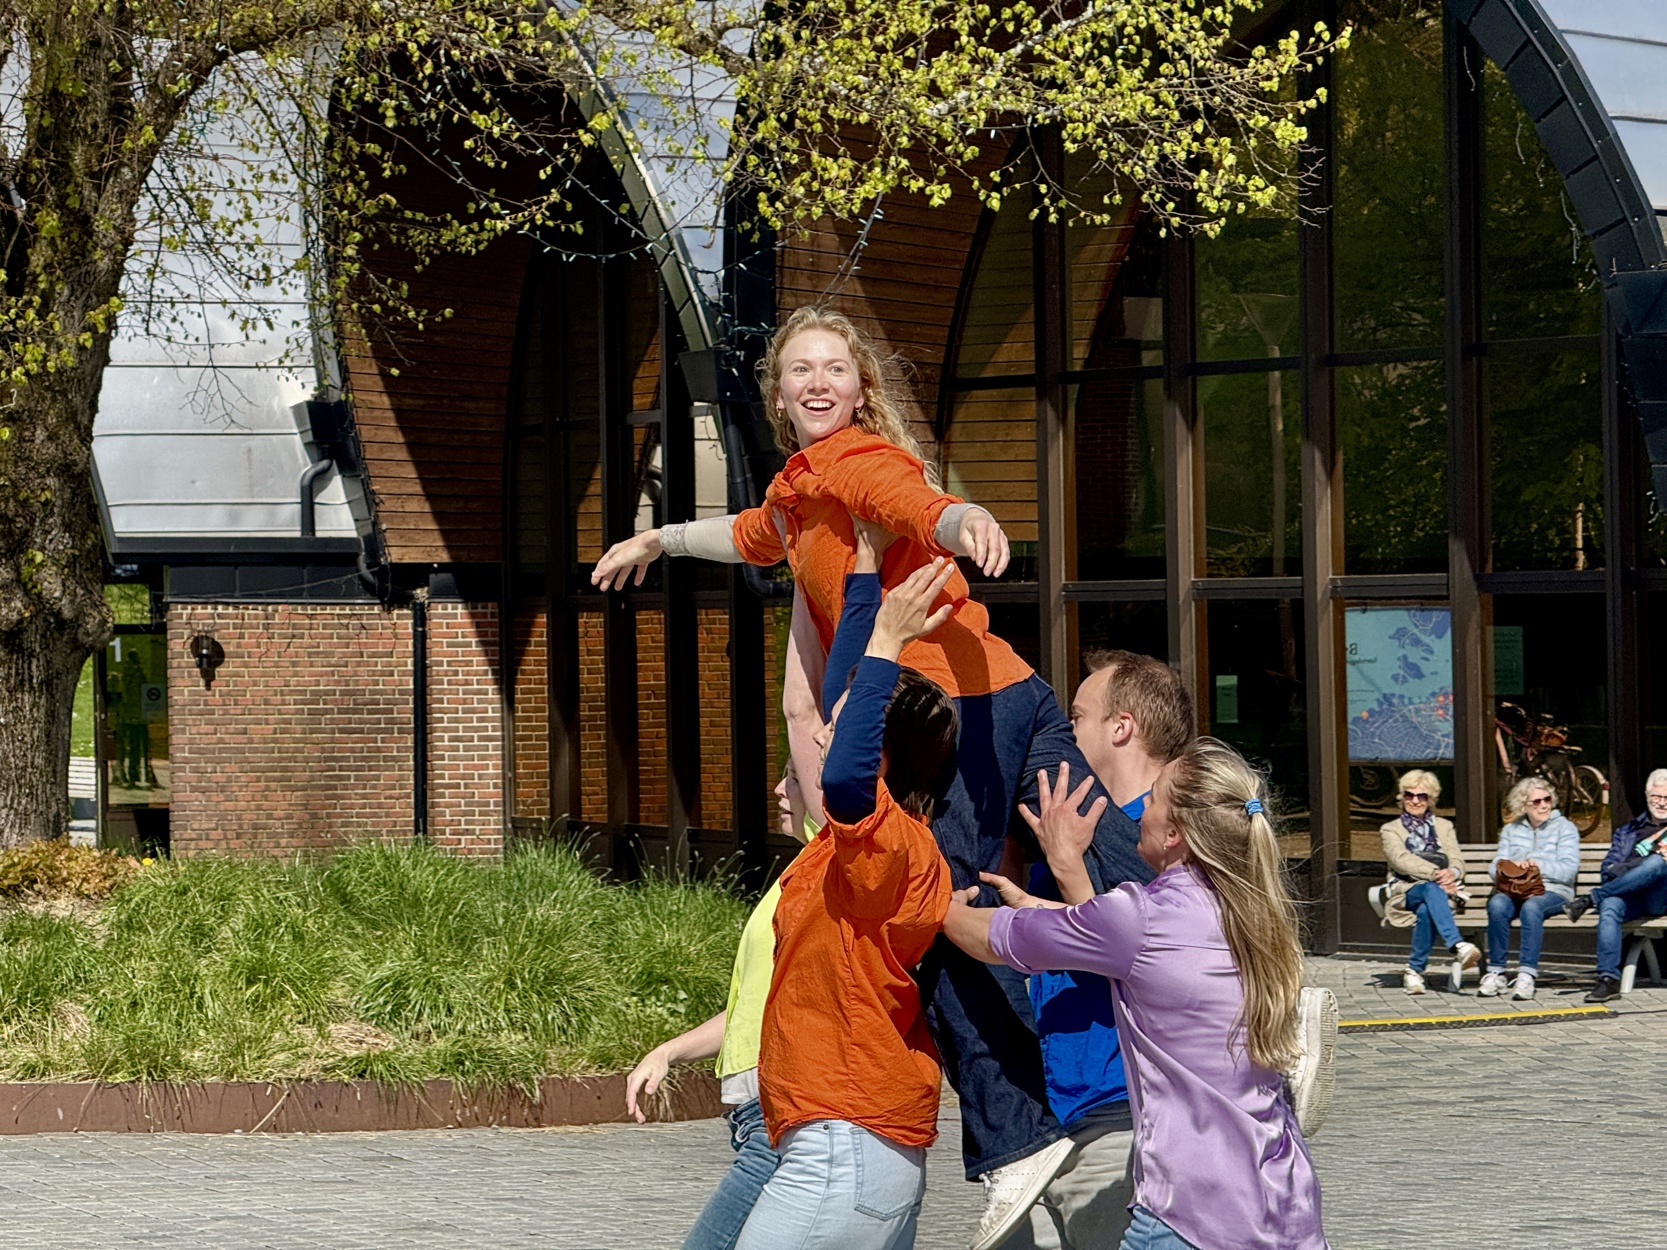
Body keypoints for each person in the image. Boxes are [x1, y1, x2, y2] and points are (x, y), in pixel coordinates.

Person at [593, 306, 1150, 1246]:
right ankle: (1248, 1010)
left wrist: (961, 517)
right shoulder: (793, 495)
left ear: (861, 392)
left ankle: (1019, 1143)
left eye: (835, 371)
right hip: (1012, 690)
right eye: (800, 370)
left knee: (934, 919)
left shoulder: (854, 463)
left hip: (948, 720)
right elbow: (743, 534)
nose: (817, 384)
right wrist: (657, 542)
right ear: (777, 394)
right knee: (1112, 857)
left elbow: (910, 502)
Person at [944, 737, 1328, 1250]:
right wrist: (1051, 891)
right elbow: (1129, 952)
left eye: (1151, 800)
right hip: (1287, 1207)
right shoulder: (1250, 910)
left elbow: (989, 939)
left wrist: (938, 904)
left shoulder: (1140, 917)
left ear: (1174, 833)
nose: (1139, 811)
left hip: (1189, 1218)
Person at [735, 546, 958, 1250]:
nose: (822, 736)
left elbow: (846, 773)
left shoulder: (887, 844)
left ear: (879, 755)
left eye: (844, 730)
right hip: (850, 1143)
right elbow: (833, 696)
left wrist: (891, 642)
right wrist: (860, 568)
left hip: (844, 1144)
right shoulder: (846, 843)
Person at [1014, 651, 1188, 1250]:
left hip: (1121, 1122)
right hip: (1040, 1126)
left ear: (1122, 727)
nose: (1061, 735)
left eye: (1076, 717)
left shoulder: (1177, 837)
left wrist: (1068, 872)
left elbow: (1149, 949)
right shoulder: (1059, 825)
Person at [624, 761, 819, 1250]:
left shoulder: (829, 853)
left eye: (792, 776)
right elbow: (750, 1010)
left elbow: (803, 719)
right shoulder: (795, 876)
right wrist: (668, 1051)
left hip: (775, 1113)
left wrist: (806, 690)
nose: (777, 787)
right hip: (754, 1112)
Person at [1376, 770, 1481, 994]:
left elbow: (1458, 861)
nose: (1415, 800)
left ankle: (1414, 972)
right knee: (1429, 889)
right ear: (1402, 797)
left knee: (1425, 911)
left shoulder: (1444, 827)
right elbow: (1401, 860)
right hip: (1406, 893)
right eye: (1409, 795)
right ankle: (1457, 945)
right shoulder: (1390, 829)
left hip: (1440, 894)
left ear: (1430, 799)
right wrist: (1436, 874)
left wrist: (1452, 872)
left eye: (1421, 796)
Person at [1567, 769, 1667, 1002]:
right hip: (1628, 896)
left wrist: (1647, 863)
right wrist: (1635, 868)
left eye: (1666, 798)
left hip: (1659, 897)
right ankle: (1608, 979)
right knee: (1611, 904)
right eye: (1656, 797)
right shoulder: (1627, 831)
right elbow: (1608, 870)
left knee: (1657, 864)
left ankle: (1590, 899)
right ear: (1646, 795)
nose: (1661, 803)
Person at [1480, 776, 1580, 1001]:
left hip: (1553, 890)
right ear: (1523, 805)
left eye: (1546, 799)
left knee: (1532, 907)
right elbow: (1495, 866)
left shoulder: (1565, 828)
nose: (1543, 805)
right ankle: (1496, 971)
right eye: (1536, 802)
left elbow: (1568, 871)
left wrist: (1537, 866)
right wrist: (1513, 869)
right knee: (1496, 904)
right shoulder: (1511, 830)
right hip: (1515, 889)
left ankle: (1526, 974)